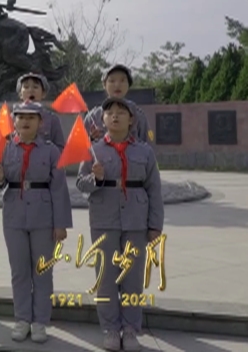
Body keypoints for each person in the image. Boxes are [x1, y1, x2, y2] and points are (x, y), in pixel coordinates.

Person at [76, 97, 163, 352]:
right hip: (104, 219)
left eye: (121, 112)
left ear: (131, 119)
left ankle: (131, 329)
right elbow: (80, 184)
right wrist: (95, 178)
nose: (115, 116)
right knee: (106, 277)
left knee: (132, 277)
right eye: (110, 113)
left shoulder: (144, 152)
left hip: (136, 220)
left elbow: (154, 189)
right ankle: (110, 329)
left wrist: (155, 225)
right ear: (103, 119)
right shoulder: (93, 150)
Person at [0, 102, 72, 343]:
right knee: (20, 271)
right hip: (14, 215)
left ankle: (40, 322)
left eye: (31, 117)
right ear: (14, 121)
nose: (26, 121)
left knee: (42, 271)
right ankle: (22, 319)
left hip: (43, 216)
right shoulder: (4, 148)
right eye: (21, 117)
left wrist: (60, 224)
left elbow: (59, 189)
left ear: (40, 122)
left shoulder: (50, 151)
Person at [84, 64, 150, 143]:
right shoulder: (93, 117)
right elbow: (80, 146)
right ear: (104, 85)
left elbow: (146, 145)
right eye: (112, 81)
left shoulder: (138, 116)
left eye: (122, 80)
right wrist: (91, 139)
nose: (117, 85)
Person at [14, 73, 66, 151]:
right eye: (26, 87)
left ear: (43, 94)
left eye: (35, 87)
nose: (31, 90)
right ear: (20, 94)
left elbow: (60, 147)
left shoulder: (52, 119)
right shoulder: (12, 117)